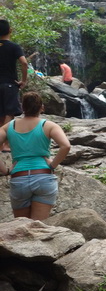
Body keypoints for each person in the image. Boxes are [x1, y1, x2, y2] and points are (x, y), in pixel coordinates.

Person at [0, 91, 71, 220]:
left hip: (19, 178)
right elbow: (66, 146)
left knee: (21, 226)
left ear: (22, 107)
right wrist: (52, 165)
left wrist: (5, 170)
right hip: (43, 177)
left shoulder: (9, 126)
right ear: (41, 108)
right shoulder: (48, 125)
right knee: (38, 226)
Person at [0, 20, 28, 141]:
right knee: (9, 113)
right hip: (9, 84)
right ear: (10, 30)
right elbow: (24, 63)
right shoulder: (14, 47)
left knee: (1, 114)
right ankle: (5, 144)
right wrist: (23, 80)